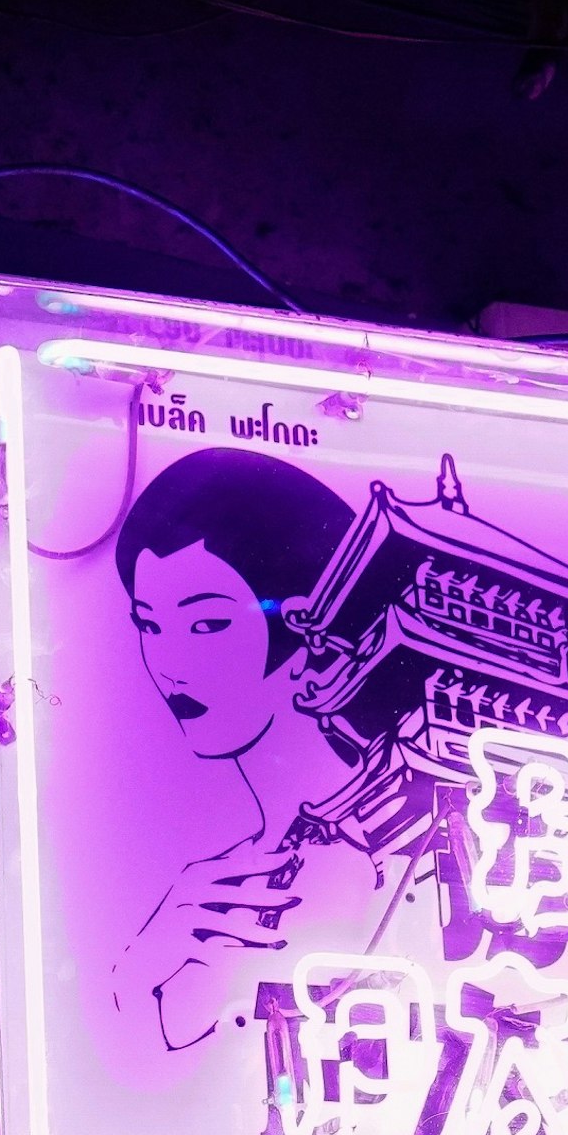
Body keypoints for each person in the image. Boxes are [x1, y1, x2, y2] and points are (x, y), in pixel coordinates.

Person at [102, 447, 397, 1053]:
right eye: (149, 625)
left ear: (309, 633)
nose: (170, 666)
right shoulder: (230, 877)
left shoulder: (375, 845)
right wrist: (139, 969)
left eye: (208, 625)